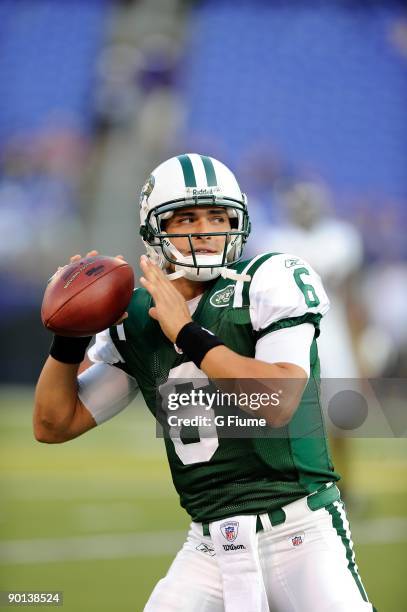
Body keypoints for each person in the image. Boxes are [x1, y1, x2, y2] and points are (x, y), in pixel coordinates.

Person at [34, 154, 374, 611]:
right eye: (187, 217)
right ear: (155, 230)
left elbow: (277, 400)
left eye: (218, 215)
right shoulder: (139, 315)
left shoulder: (268, 279)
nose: (206, 228)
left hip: (301, 532)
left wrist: (188, 334)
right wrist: (69, 334)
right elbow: (54, 424)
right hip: (210, 545)